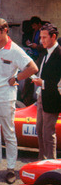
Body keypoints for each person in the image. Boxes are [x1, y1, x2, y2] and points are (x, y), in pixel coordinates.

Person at [0, 18, 38, 184]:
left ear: (5, 31)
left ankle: (11, 168)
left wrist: (17, 77)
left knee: (9, 132)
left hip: (6, 96)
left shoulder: (15, 50)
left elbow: (33, 68)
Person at [32, 23, 61, 160]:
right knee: (40, 130)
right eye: (41, 37)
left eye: (44, 37)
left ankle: (51, 164)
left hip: (53, 99)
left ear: (53, 37)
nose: (41, 40)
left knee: (48, 133)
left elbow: (58, 82)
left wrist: (42, 83)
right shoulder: (45, 53)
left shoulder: (59, 54)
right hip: (42, 96)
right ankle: (41, 161)